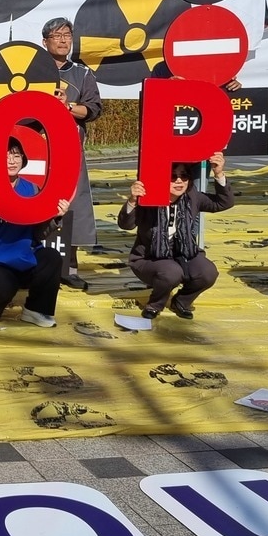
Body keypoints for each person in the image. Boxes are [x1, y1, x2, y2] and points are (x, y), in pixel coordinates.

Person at [0, 136, 68, 327]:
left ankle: (36, 309)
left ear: (23, 159)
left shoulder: (33, 188)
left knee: (51, 258)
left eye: (16, 155)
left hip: (21, 257)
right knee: (0, 297)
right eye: (6, 155)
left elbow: (38, 234)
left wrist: (55, 217)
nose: (12, 160)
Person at [117, 153, 234, 319]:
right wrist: (133, 201)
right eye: (172, 176)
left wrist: (219, 173)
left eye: (184, 176)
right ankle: (155, 304)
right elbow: (125, 224)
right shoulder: (148, 198)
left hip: (183, 254)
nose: (179, 181)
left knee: (208, 272)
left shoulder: (192, 197)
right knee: (172, 272)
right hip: (149, 258)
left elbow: (223, 203)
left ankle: (182, 301)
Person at [40, 17, 101, 289]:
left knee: (73, 204)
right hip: (36, 148)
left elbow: (93, 109)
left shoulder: (83, 73)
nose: (64, 40)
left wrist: (67, 107)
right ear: (45, 42)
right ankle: (30, 264)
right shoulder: (31, 68)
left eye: (67, 35)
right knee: (34, 203)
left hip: (69, 149)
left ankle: (70, 267)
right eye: (57, 35)